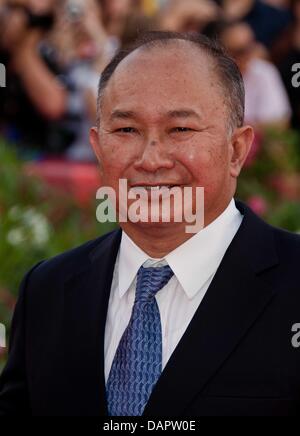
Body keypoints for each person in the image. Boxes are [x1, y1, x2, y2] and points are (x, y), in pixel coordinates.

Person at [0, 31, 300, 417]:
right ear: (97, 148)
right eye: (126, 130)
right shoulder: (48, 290)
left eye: (180, 130)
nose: (151, 159)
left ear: (237, 150)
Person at [219, 21, 292, 127]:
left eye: (250, 47)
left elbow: (280, 121)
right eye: (240, 51)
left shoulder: (265, 72)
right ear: (223, 52)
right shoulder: (213, 76)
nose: (248, 55)